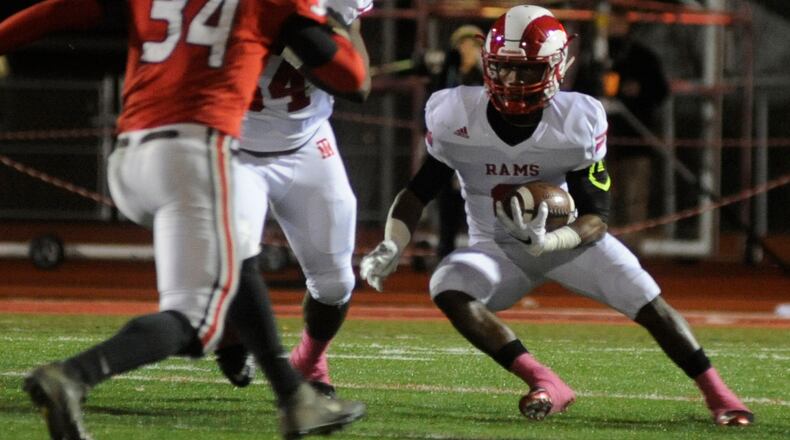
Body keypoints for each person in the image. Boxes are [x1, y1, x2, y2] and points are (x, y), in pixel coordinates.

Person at [360, 5, 753, 427]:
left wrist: (551, 242)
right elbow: (420, 190)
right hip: (497, 249)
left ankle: (719, 393)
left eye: (527, 71)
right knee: (447, 284)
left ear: (557, 68)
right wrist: (392, 241)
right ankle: (544, 380)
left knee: (648, 301)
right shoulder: (455, 114)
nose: (513, 82)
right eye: (505, 69)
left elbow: (597, 216)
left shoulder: (576, 120)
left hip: (567, 241)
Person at [0, 0, 369, 438]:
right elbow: (354, 79)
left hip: (131, 156)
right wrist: (331, 22)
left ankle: (294, 398)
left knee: (236, 262)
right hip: (200, 155)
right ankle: (74, 376)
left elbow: (60, 10)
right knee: (195, 323)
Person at [215, 0, 373, 398]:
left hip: (307, 141)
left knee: (336, 283)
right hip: (231, 143)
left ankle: (311, 360)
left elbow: (358, 84)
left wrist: (312, 44)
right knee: (233, 256)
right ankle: (232, 333)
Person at [574, 9, 669, 244]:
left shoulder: (642, 57)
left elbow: (660, 91)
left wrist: (638, 91)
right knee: (600, 202)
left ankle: (632, 253)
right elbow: (578, 95)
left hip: (635, 142)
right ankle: (602, 252)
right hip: (598, 147)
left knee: (634, 201)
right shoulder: (592, 57)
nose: (612, 26)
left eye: (617, 20)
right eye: (607, 21)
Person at [432, 24, 484, 259]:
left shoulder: (485, 79)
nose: (467, 50)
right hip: (449, 153)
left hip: (479, 155)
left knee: (482, 215)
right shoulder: (448, 76)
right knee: (448, 214)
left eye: (473, 45)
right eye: (462, 45)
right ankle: (445, 260)